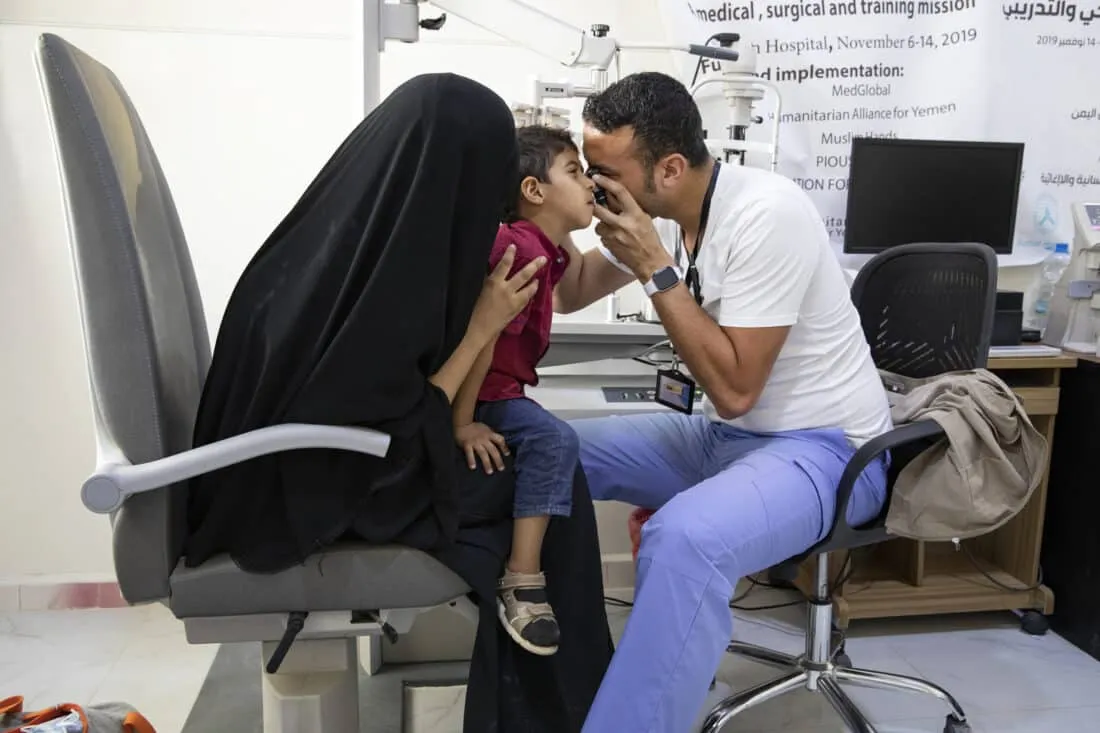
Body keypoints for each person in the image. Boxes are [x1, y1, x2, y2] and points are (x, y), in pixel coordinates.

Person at [183, 73, 613, 732]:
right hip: (303, 488)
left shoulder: (346, 243)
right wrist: (481, 327)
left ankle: (550, 693)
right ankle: (560, 702)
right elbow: (390, 428)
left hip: (291, 464)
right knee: (545, 477)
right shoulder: (381, 291)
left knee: (535, 462)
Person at [556, 72, 894, 733]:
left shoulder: (766, 213)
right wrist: (548, 211)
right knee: (549, 449)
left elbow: (736, 391)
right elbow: (570, 291)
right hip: (728, 442)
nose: (597, 188)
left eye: (604, 174)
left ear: (669, 168)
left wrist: (655, 269)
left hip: (829, 454)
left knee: (684, 538)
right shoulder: (665, 213)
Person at [452, 125, 596, 656]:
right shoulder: (517, 250)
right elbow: (483, 338)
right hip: (484, 392)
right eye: (576, 173)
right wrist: (464, 422)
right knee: (555, 441)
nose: (590, 185)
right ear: (533, 190)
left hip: (498, 389)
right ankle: (521, 578)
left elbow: (575, 276)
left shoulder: (544, 251)